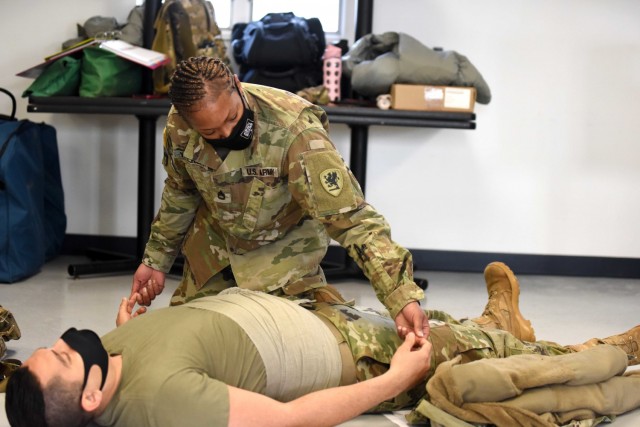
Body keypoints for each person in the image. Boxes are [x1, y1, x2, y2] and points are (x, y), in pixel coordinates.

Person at [7, 262, 640, 427]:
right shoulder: (164, 404)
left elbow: (104, 350)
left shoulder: (107, 362)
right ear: (91, 397)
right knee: (447, 345)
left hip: (303, 311)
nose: (69, 341)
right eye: (65, 356)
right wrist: (394, 381)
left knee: (439, 321)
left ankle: (500, 326)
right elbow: (288, 419)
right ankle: (603, 346)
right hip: (345, 350)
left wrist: (128, 325)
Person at [129, 56, 428, 341]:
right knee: (190, 342)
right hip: (214, 256)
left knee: (291, 351)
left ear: (237, 84)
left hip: (283, 262)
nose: (227, 132)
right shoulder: (180, 125)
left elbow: (352, 221)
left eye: (232, 117)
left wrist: (400, 296)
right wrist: (156, 260)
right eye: (210, 131)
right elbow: (181, 191)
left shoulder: (295, 131)